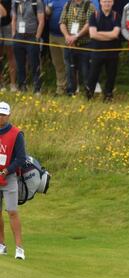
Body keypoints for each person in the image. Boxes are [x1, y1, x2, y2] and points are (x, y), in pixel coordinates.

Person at [0, 101, 27, 260]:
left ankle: (19, 248)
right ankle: (2, 245)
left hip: (9, 177)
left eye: (3, 114)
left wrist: (6, 170)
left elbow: (21, 158)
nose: (0, 117)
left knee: (12, 212)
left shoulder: (16, 134)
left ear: (8, 115)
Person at [86, 0, 121, 101]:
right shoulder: (94, 15)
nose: (107, 4)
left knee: (111, 75)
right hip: (97, 51)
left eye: (109, 1)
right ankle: (89, 95)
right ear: (100, 2)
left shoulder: (116, 16)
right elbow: (92, 34)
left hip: (112, 52)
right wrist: (109, 35)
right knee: (93, 74)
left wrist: (99, 34)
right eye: (105, 1)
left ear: (113, 3)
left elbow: (115, 34)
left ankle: (108, 96)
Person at [59, 0, 95, 96]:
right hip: (69, 44)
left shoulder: (89, 5)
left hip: (84, 45)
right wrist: (67, 36)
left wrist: (77, 36)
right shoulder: (67, 4)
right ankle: (71, 92)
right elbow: (62, 22)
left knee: (86, 71)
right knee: (69, 70)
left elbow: (89, 24)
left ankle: (88, 93)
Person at [11, 0, 45, 94]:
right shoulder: (16, 2)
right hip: (18, 37)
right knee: (20, 64)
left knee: (35, 64)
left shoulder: (37, 2)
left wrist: (37, 38)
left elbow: (41, 21)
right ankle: (22, 87)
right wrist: (14, 35)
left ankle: (37, 88)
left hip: (32, 37)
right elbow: (14, 19)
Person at [44, 0, 68, 95]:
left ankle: (71, 87)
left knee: (68, 63)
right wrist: (47, 11)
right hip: (52, 35)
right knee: (57, 64)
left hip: (65, 36)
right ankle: (60, 88)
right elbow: (45, 15)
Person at [0, 0, 17, 92]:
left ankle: (13, 84)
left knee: (11, 56)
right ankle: (1, 84)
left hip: (8, 25)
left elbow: (7, 13)